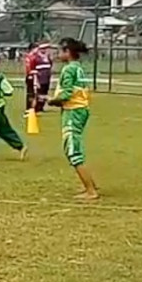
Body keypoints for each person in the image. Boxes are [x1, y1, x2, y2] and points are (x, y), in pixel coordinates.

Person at [47, 37, 99, 200]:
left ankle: (91, 191)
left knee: (72, 150)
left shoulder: (69, 69)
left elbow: (67, 94)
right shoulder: (78, 68)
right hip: (80, 110)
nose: (57, 54)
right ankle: (90, 185)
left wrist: (51, 101)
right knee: (74, 147)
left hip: (73, 112)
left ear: (67, 52)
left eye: (60, 50)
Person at [24, 40, 54, 114]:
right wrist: (34, 75)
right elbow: (30, 68)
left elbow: (50, 64)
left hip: (45, 77)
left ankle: (40, 107)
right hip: (34, 77)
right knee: (33, 93)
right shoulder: (32, 57)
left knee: (42, 92)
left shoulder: (46, 57)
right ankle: (31, 108)